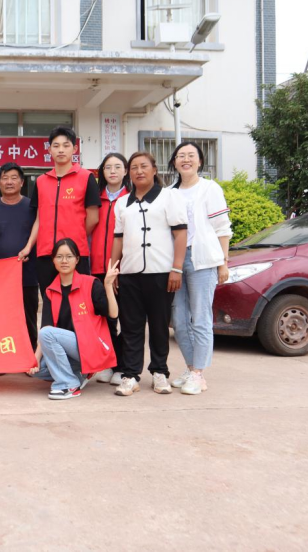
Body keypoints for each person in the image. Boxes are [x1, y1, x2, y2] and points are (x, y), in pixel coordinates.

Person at [110, 152, 188, 397]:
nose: (139, 171)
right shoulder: (122, 203)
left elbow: (180, 234)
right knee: (130, 326)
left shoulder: (169, 197)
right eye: (134, 167)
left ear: (154, 170)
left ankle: (159, 372)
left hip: (161, 273)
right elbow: (118, 239)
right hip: (130, 274)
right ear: (129, 173)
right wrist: (113, 270)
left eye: (144, 166)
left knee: (159, 326)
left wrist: (176, 268)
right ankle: (130, 375)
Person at [167, 142, 233, 395]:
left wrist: (223, 262)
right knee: (179, 320)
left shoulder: (209, 188)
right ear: (174, 162)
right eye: (181, 156)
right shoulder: (169, 193)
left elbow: (222, 227)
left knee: (201, 318)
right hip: (175, 261)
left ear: (200, 161)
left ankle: (198, 374)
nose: (186, 159)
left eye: (191, 155)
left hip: (202, 259)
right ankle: (191, 367)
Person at [29, 238, 119, 400]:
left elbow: (112, 314)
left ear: (77, 259)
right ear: (53, 260)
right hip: (70, 350)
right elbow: (46, 330)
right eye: (59, 257)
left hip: (91, 346)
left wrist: (107, 285)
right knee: (38, 370)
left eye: (69, 256)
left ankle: (68, 384)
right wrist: (34, 359)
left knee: (47, 334)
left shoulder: (91, 284)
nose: (64, 261)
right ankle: (80, 374)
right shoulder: (50, 291)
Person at [20, 126, 101, 292]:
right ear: (49, 150)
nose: (61, 150)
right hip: (46, 254)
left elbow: (93, 218)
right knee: (50, 299)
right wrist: (28, 247)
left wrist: (75, 235)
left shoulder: (86, 177)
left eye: (66, 145)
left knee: (77, 299)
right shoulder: (41, 181)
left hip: (75, 254)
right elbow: (39, 219)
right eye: (56, 146)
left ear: (75, 149)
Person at [0, 162, 39, 350]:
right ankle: (3, 355)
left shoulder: (32, 207)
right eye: (5, 178)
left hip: (27, 273)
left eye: (14, 178)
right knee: (0, 317)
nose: (9, 182)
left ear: (22, 182)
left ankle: (30, 355)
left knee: (28, 317)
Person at [91, 153, 130, 386]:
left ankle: (122, 366)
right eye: (108, 167)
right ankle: (108, 363)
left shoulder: (132, 199)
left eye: (117, 167)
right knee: (105, 320)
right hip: (97, 267)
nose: (113, 171)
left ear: (126, 171)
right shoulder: (95, 199)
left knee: (127, 318)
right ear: (102, 172)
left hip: (125, 269)